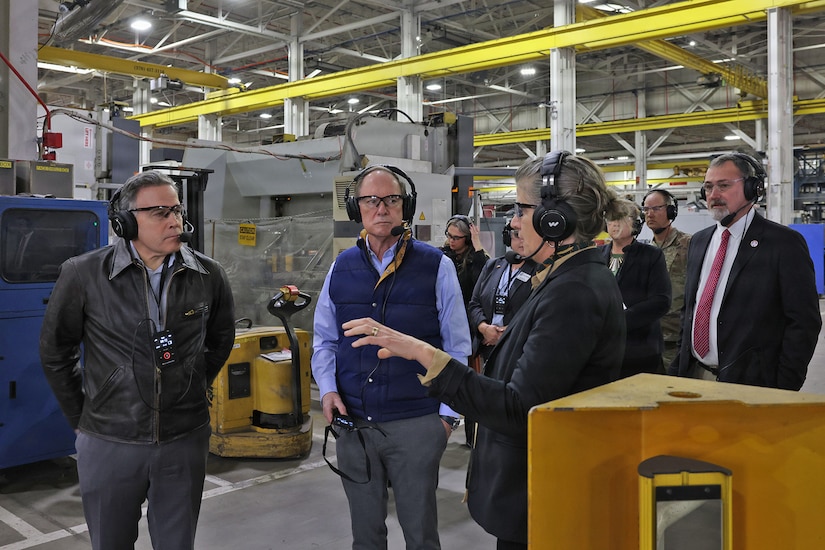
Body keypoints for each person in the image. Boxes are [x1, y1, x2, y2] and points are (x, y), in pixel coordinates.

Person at [340, 151, 627, 549]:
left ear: (554, 219)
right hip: (537, 491)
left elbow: (517, 407)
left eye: (521, 209)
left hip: (543, 496)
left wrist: (423, 354)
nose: (511, 221)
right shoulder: (560, 279)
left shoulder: (574, 291)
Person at [39, 170, 236, 550]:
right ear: (126, 222)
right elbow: (55, 351)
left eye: (176, 210)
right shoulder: (83, 274)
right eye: (160, 212)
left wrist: (192, 386)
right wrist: (83, 419)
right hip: (109, 438)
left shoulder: (208, 275)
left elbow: (220, 339)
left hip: (184, 438)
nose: (175, 220)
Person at [312, 164, 472, 550]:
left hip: (416, 423)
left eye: (391, 199)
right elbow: (324, 340)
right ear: (357, 208)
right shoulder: (341, 267)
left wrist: (447, 420)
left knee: (420, 534)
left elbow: (458, 346)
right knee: (365, 535)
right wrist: (329, 391)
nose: (381, 208)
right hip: (355, 426)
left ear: (406, 206)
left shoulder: (438, 266)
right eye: (371, 200)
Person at [668, 152, 821, 389]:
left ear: (753, 189)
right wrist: (679, 367)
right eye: (708, 187)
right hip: (694, 375)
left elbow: (803, 322)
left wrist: (784, 386)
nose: (713, 195)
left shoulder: (783, 243)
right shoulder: (699, 241)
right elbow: (690, 309)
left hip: (752, 384)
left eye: (724, 186)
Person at [600, 200, 671, 377]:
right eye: (610, 218)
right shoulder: (596, 255)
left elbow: (661, 301)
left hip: (640, 348)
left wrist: (619, 321)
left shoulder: (651, 255)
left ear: (635, 224)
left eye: (620, 218)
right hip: (603, 350)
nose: (614, 223)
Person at [467, 219, 537, 363]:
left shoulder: (540, 270)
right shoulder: (492, 265)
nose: (521, 240)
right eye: (516, 234)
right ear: (507, 237)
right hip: (488, 347)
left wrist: (508, 332)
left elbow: (537, 311)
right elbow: (474, 304)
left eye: (526, 235)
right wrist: (484, 328)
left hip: (519, 349)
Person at [641, 189, 692, 367]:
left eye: (656, 208)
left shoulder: (688, 245)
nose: (650, 214)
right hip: (650, 337)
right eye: (646, 210)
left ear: (671, 211)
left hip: (677, 340)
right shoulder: (645, 251)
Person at [440, 214, 489, 307]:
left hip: (467, 309)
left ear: (467, 239)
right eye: (449, 235)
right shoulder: (443, 254)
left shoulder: (476, 259)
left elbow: (482, 282)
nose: (451, 240)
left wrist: (477, 246)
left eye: (456, 238)